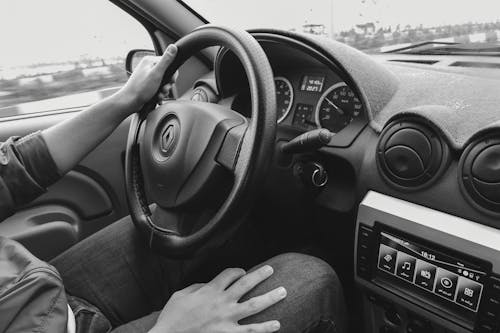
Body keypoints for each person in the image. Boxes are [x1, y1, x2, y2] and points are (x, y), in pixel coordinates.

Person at [0, 44, 347, 333]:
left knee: (197, 220)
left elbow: (12, 173)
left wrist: (128, 98)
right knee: (312, 278)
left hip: (38, 294)